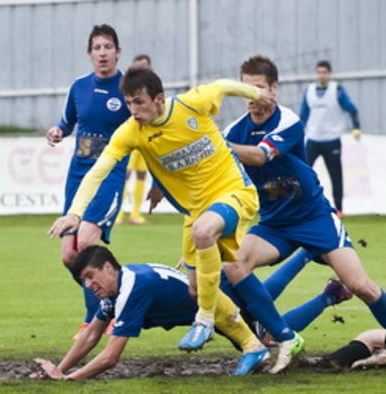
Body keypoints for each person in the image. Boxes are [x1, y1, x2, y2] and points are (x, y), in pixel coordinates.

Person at [220, 55, 386, 372]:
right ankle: (281, 337)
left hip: (315, 218)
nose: (251, 97)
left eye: (258, 89)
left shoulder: (288, 121)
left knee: (361, 285)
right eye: (245, 90)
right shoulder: (234, 131)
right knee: (234, 264)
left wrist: (216, 144)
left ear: (274, 89)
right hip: (274, 224)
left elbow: (258, 156)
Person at [48, 67, 284, 358]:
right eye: (129, 103)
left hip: (235, 192)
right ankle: (252, 346)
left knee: (204, 233)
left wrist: (256, 92)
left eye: (139, 102)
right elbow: (98, 171)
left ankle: (205, 320)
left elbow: (222, 85)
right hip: (196, 210)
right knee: (196, 289)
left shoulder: (191, 103)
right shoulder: (130, 132)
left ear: (159, 99)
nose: (133, 110)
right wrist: (75, 213)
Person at [30, 245, 353, 380]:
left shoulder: (132, 289)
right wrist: (58, 369)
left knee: (268, 334)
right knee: (264, 302)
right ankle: (307, 251)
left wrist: (69, 379)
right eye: (83, 280)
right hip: (212, 293)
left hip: (215, 302)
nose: (88, 285)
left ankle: (327, 293)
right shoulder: (123, 282)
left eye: (90, 276)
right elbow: (91, 334)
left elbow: (110, 357)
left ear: (109, 267)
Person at [45, 24, 130, 337]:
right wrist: (56, 131)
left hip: (109, 175)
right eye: (97, 48)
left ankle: (98, 316)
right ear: (90, 54)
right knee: (70, 254)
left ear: (118, 52)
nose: (103, 53)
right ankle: (113, 300)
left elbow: (146, 130)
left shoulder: (127, 88)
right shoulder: (79, 87)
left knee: (87, 241)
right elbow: (66, 122)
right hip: (79, 175)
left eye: (108, 47)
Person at [299, 60, 361, 217]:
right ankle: (300, 206)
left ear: (330, 74)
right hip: (312, 139)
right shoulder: (309, 91)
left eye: (324, 72)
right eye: (319, 72)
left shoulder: (337, 90)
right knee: (302, 173)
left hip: (332, 139)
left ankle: (339, 208)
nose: (321, 75)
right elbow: (303, 115)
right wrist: (298, 135)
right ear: (315, 73)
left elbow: (352, 109)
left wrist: (356, 128)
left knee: (336, 175)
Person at [116, 54, 153, 226]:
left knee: (141, 174)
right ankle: (118, 214)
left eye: (145, 67)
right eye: (139, 67)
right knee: (125, 174)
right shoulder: (127, 89)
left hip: (147, 138)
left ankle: (135, 213)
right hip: (132, 137)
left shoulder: (152, 89)